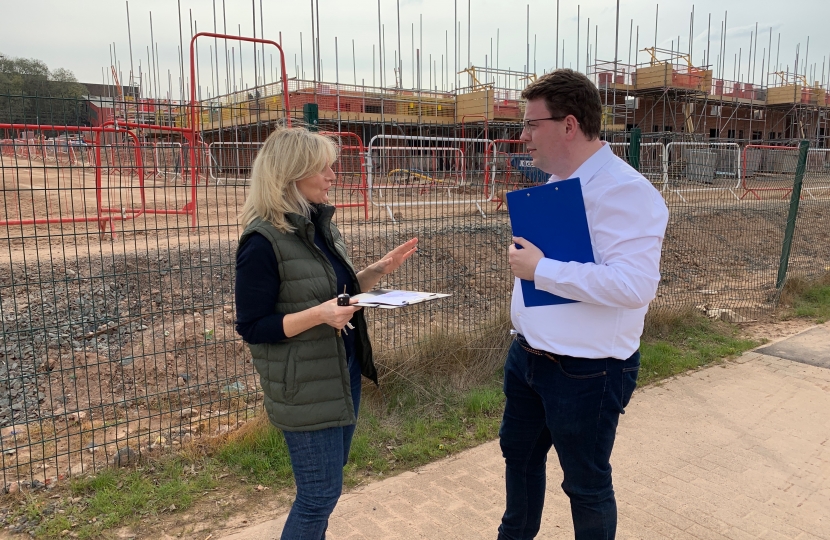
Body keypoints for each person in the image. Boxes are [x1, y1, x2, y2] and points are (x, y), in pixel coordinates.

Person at [498, 69, 669, 540]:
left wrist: (541, 269)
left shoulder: (626, 192)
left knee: (586, 485)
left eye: (533, 125)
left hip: (588, 372)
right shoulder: (555, 182)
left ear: (568, 125)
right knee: (520, 459)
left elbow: (634, 286)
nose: (524, 136)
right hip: (529, 356)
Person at [235, 126, 418, 540]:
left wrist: (376, 272)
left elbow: (338, 294)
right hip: (304, 386)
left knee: (327, 488)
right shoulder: (261, 241)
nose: (333, 175)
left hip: (341, 373)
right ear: (292, 174)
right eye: (324, 168)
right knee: (317, 496)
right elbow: (252, 326)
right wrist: (318, 315)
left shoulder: (319, 224)